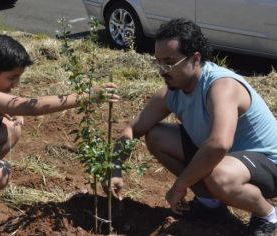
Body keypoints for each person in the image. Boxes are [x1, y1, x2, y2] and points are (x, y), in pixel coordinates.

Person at [0, 34, 119, 230]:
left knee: (11, 128)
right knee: (0, 174)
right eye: (12, 78)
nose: (16, 84)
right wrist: (87, 96)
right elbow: (29, 107)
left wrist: (6, 111)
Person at [109, 18, 277, 236]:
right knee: (157, 136)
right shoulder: (172, 91)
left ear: (195, 58)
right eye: (158, 62)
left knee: (218, 175)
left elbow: (218, 145)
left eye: (169, 62)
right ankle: (210, 203)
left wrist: (180, 186)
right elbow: (133, 129)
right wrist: (114, 168)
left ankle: (267, 215)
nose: (162, 70)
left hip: (268, 163)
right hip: (229, 162)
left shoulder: (221, 86)